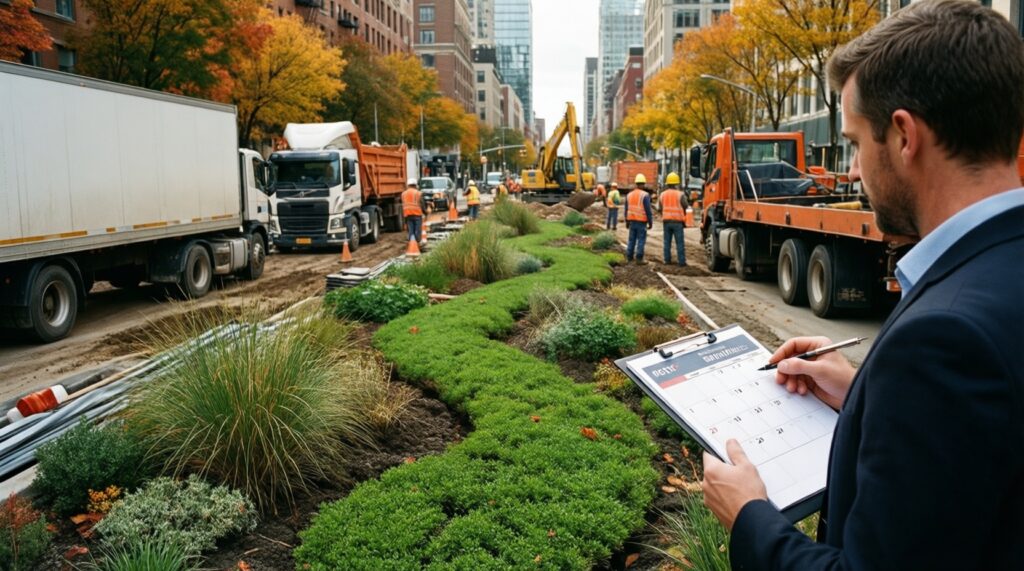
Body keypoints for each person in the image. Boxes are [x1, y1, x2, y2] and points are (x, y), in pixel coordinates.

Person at [700, 2, 1024, 569]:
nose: (850, 172)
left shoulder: (943, 342)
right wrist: (869, 397)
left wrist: (749, 515)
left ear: (903, 136)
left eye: (853, 143)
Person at [658, 172, 688, 266]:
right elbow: (686, 206)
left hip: (666, 221)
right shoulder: (680, 194)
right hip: (678, 222)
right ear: (676, 183)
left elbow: (659, 208)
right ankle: (681, 262)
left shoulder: (662, 194)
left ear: (667, 183)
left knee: (667, 242)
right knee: (680, 243)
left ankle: (667, 260)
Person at [623, 174, 653, 264]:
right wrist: (650, 222)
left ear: (636, 183)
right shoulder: (645, 195)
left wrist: (627, 221)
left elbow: (626, 209)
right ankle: (639, 259)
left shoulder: (629, 195)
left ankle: (629, 257)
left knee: (631, 239)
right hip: (641, 222)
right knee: (641, 239)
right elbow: (648, 210)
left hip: (632, 221)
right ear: (643, 184)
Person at [401, 178, 427, 244]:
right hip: (417, 214)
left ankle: (411, 243)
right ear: (415, 185)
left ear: (408, 185)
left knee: (411, 230)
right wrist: (425, 212)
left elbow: (404, 204)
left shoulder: (403, 194)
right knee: (418, 230)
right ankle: (417, 243)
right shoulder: (418, 193)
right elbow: (422, 204)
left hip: (407, 214)